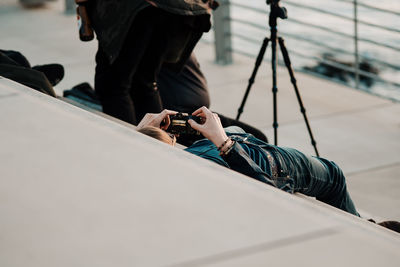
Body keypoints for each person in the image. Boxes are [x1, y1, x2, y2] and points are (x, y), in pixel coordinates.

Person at [137, 107, 400, 233]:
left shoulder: (183, 162)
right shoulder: (201, 164)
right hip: (273, 165)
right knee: (334, 176)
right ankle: (368, 229)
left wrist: (144, 133)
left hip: (243, 148)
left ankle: (368, 226)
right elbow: (268, 189)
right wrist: (223, 142)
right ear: (169, 141)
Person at [87, 0, 218, 125]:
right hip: (172, 8)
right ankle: (157, 142)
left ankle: (132, 145)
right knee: (145, 82)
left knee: (113, 85)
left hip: (140, 7)